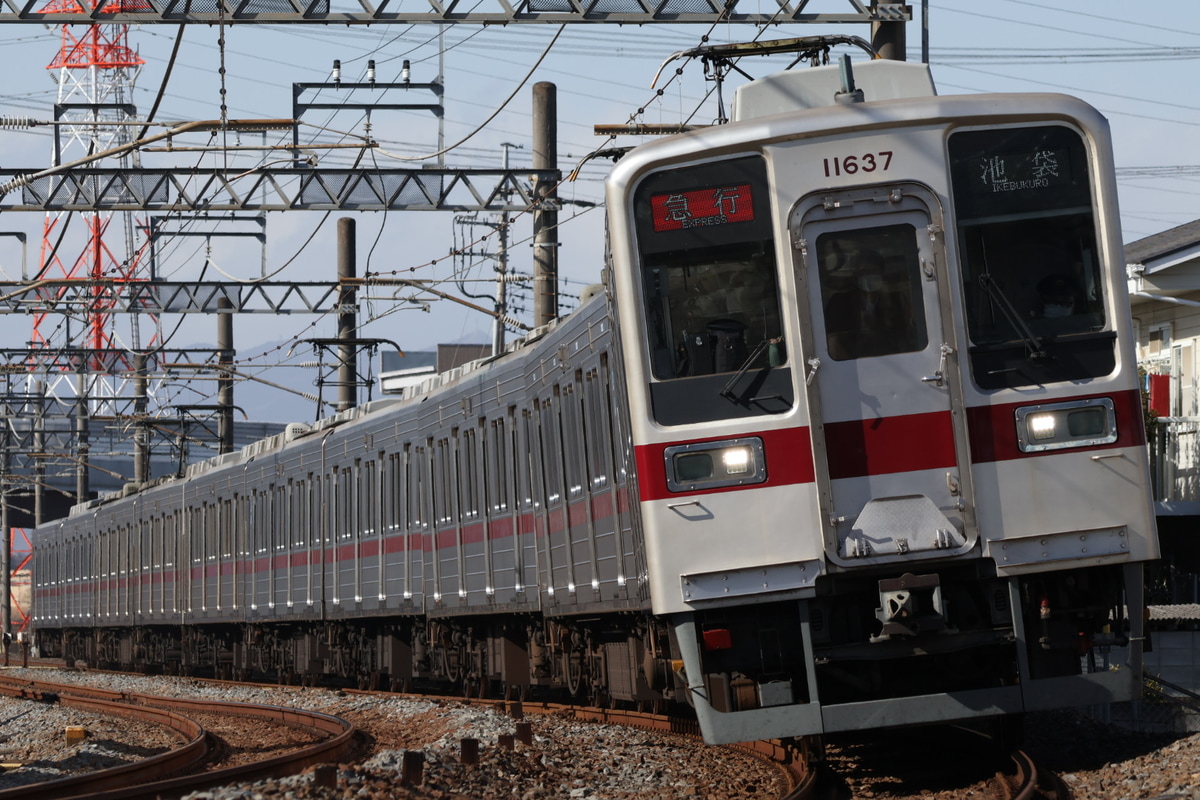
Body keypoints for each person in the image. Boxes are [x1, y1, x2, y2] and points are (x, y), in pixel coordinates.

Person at [823, 248, 918, 360]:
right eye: (863, 272)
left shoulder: (896, 300)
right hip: (852, 363)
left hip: (893, 358)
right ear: (855, 276)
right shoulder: (840, 302)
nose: (868, 276)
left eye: (873, 271)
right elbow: (833, 341)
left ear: (881, 273)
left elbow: (907, 335)